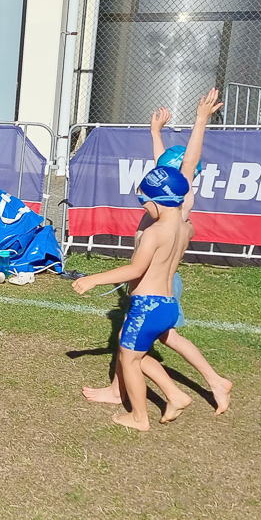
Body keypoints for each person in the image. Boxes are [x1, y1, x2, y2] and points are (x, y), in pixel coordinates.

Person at [82, 92, 232, 415]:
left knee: (143, 343)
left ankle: (205, 384)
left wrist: (201, 120)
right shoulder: (166, 198)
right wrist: (155, 133)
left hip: (157, 283)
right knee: (144, 339)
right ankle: (122, 390)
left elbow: (188, 163)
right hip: (151, 281)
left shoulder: (180, 201)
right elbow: (166, 168)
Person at [74, 166, 199, 431]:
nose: (142, 207)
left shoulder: (155, 232)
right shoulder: (186, 229)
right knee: (129, 349)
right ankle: (175, 395)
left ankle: (139, 417)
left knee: (130, 361)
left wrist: (94, 279)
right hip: (168, 304)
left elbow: (136, 269)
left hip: (147, 307)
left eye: (143, 201)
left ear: (156, 201)